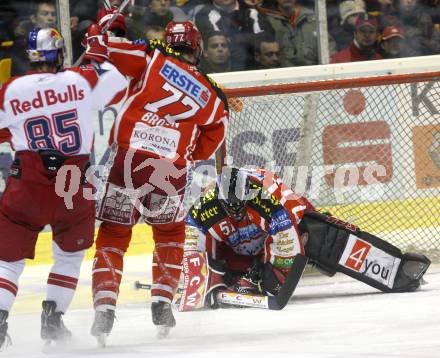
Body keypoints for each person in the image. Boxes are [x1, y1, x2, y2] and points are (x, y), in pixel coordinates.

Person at [86, 21, 229, 343]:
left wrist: (107, 25)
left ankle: (104, 306)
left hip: (128, 159)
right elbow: (213, 137)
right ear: (198, 48)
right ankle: (163, 299)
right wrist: (184, 154)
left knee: (113, 232)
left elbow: (98, 47)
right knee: (169, 232)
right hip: (170, 169)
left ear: (168, 41)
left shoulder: (151, 57)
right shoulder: (212, 94)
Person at [0, 27, 127, 350]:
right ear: (59, 52)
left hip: (26, 184)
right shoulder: (80, 80)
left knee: (7, 261)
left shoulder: (12, 89)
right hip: (73, 185)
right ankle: (53, 320)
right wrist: (99, 46)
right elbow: (117, 79)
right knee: (69, 257)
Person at [181, 167, 431, 310]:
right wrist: (202, 279)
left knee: (316, 235)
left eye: (241, 205)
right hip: (238, 250)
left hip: (283, 236)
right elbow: (190, 245)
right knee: (208, 259)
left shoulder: (270, 199)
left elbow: (288, 242)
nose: (237, 212)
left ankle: (395, 271)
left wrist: (272, 277)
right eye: (231, 207)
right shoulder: (204, 206)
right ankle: (232, 275)